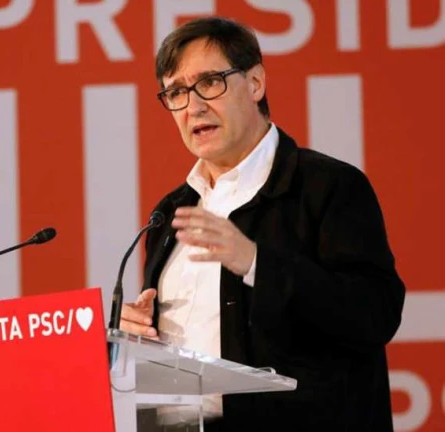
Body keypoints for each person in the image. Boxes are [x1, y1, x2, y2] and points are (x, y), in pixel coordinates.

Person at [120, 16, 406, 432]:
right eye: (177, 91)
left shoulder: (327, 186)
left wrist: (256, 263)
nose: (193, 106)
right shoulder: (171, 211)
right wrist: (136, 335)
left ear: (255, 83)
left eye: (210, 82)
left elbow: (375, 314)